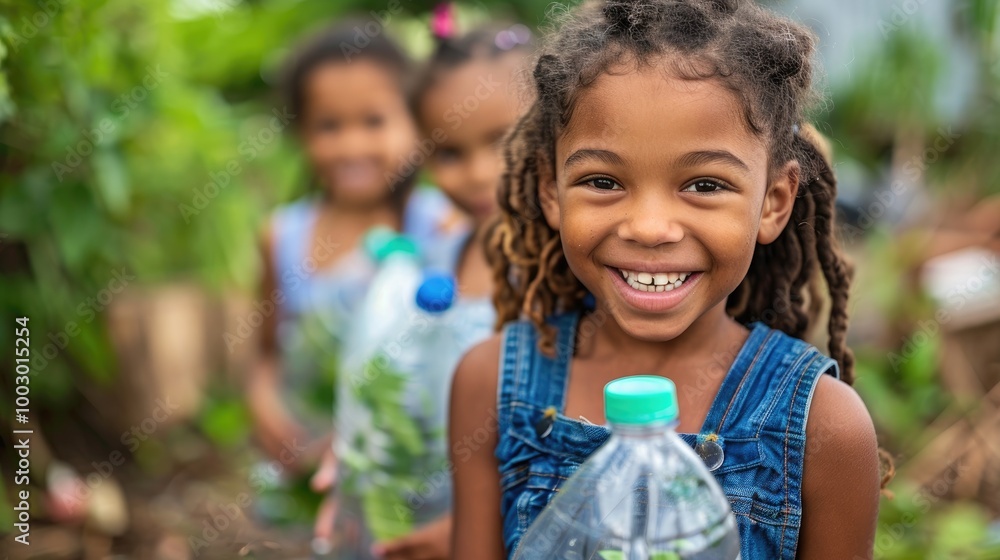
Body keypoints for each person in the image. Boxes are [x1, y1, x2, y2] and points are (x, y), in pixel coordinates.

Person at [449, 1, 889, 559]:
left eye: (705, 185)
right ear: (549, 191)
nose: (650, 228)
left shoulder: (826, 427)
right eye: (604, 180)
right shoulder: (489, 385)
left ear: (774, 203)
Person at [245, 20, 449, 528]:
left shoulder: (440, 226)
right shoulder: (282, 235)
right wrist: (263, 404)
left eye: (374, 121)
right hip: (305, 468)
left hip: (407, 470)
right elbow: (265, 350)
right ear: (301, 132)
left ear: (416, 122)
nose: (352, 145)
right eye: (329, 126)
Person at [347, 14, 535, 560]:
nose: (478, 173)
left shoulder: (570, 276)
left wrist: (473, 524)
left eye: (503, 141)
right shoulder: (438, 261)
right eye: (449, 153)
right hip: (423, 507)